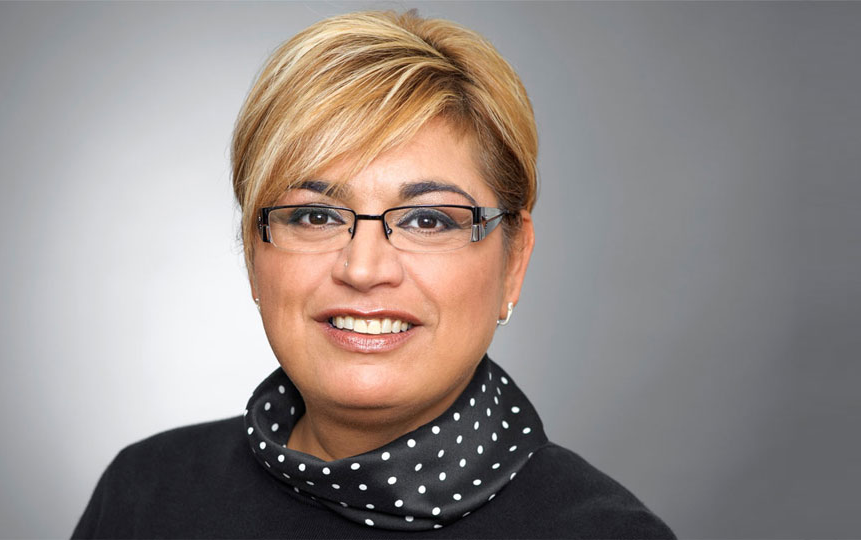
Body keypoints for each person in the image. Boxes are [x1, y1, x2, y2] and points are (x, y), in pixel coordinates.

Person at [73, 10, 674, 538]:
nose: (363, 268)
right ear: (253, 255)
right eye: (314, 215)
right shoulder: (146, 493)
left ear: (512, 263)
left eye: (428, 220)